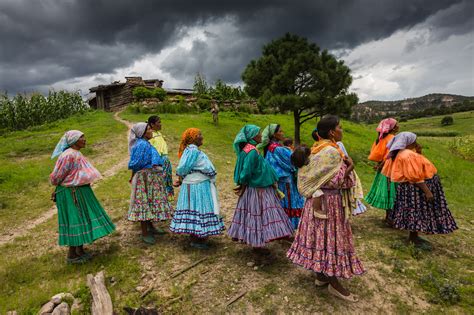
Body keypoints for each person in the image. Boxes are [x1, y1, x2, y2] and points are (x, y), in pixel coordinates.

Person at [287, 116, 365, 303]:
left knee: (319, 237)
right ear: (331, 132)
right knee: (330, 239)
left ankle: (321, 275)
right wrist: (351, 167)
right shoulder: (331, 152)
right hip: (329, 204)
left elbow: (313, 176)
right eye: (340, 127)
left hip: (314, 201)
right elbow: (340, 181)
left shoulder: (317, 148)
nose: (341, 130)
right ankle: (334, 283)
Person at [381, 132, 457, 248]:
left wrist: (419, 152)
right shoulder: (407, 155)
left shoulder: (405, 153)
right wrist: (427, 191)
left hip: (412, 188)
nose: (416, 142)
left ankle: (414, 236)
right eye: (414, 140)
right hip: (416, 188)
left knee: (414, 211)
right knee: (416, 210)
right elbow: (415, 176)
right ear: (408, 142)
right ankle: (413, 238)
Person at [50, 130, 115, 264]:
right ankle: (72, 255)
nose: (85, 139)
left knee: (80, 218)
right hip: (70, 192)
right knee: (75, 220)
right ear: (73, 141)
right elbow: (57, 176)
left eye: (84, 137)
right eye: (81, 137)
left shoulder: (76, 154)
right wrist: (57, 188)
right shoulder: (68, 155)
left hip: (76, 190)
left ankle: (79, 251)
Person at [227, 125, 293, 248]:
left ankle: (256, 242)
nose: (260, 135)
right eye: (258, 133)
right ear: (252, 136)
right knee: (259, 214)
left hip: (256, 187)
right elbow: (246, 171)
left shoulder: (249, 149)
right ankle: (257, 244)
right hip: (258, 189)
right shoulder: (252, 151)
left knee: (254, 214)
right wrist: (244, 182)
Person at [170, 128, 225, 249]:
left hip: (197, 183)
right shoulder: (193, 150)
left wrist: (181, 178)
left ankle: (197, 237)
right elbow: (183, 167)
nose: (202, 137)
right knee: (199, 208)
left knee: (194, 208)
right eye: (199, 135)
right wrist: (180, 177)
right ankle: (197, 239)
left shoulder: (191, 150)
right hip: (196, 184)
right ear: (193, 137)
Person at [128, 122, 173, 245]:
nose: (151, 130)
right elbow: (136, 164)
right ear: (142, 132)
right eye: (148, 129)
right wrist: (133, 177)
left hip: (150, 176)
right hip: (144, 177)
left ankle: (150, 226)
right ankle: (145, 232)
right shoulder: (141, 145)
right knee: (143, 203)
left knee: (149, 201)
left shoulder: (146, 143)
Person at [258, 124, 305, 230]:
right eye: (280, 131)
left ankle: (281, 228)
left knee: (281, 203)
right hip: (286, 181)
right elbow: (293, 162)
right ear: (274, 134)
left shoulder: (270, 147)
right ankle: (287, 227)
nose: (283, 133)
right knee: (288, 203)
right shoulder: (278, 149)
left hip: (279, 180)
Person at [365, 118, 399, 224]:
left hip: (383, 170)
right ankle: (392, 218)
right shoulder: (392, 138)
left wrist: (379, 165)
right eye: (396, 124)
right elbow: (389, 156)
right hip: (391, 170)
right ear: (392, 127)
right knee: (392, 192)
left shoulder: (380, 139)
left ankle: (388, 216)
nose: (398, 126)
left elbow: (379, 154)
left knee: (387, 192)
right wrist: (381, 166)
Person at [148, 115, 174, 202]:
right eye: (158, 122)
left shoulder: (159, 134)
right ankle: (160, 198)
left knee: (167, 178)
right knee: (160, 179)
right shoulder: (150, 135)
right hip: (159, 160)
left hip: (165, 159)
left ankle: (168, 196)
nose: (161, 124)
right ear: (152, 124)